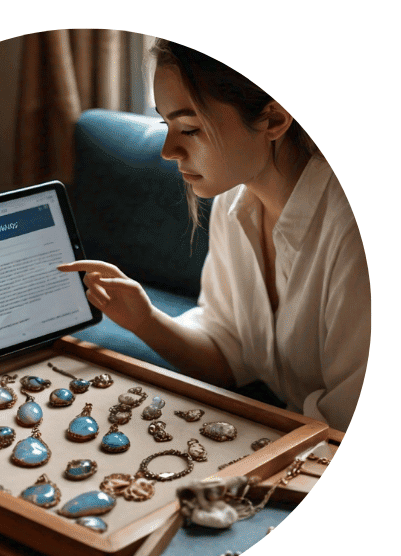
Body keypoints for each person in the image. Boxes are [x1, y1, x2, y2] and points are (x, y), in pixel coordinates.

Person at [58, 39, 370, 433]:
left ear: (273, 120)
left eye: (189, 128)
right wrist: (145, 320)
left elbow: (345, 425)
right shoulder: (236, 201)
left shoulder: (352, 233)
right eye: (166, 125)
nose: (168, 150)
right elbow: (226, 355)